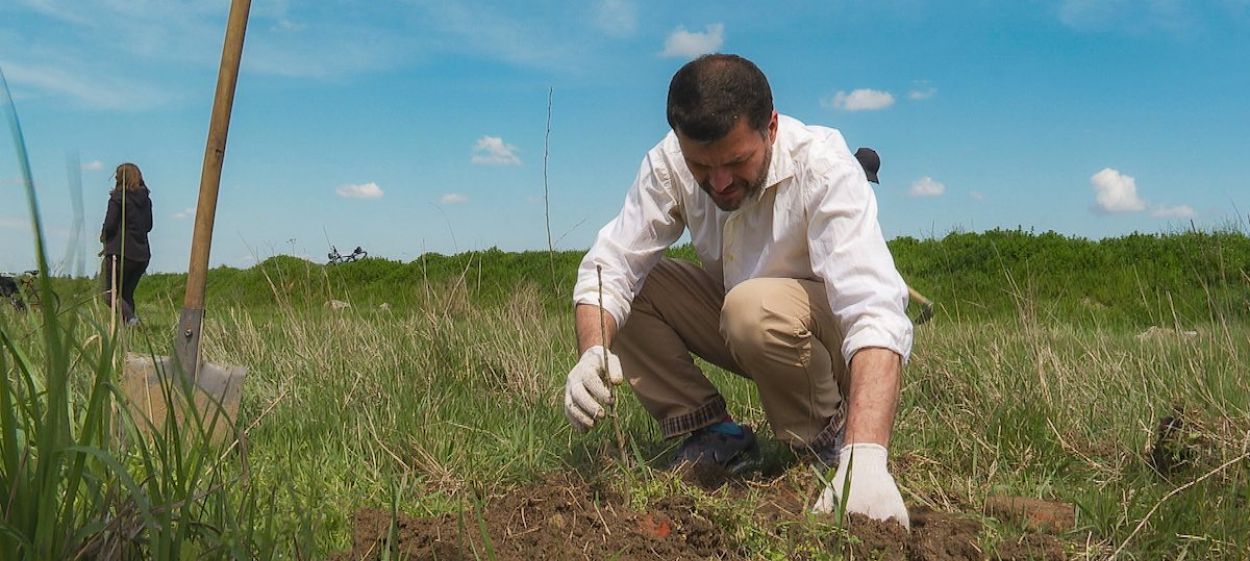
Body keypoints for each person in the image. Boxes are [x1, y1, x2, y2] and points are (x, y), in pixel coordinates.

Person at [562, 54, 912, 528]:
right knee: (631, 292)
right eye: (700, 165)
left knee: (752, 308)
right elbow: (612, 266)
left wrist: (866, 454)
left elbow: (873, 308)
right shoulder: (669, 163)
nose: (719, 182)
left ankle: (827, 443)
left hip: (819, 334)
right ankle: (713, 433)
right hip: (743, 314)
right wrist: (593, 350)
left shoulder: (824, 165)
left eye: (736, 160)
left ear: (770, 127)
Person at [100, 162, 153, 326]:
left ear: (121, 178)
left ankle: (131, 320)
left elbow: (109, 224)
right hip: (142, 255)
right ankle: (128, 334)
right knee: (126, 294)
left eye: (117, 175)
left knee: (110, 293)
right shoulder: (146, 200)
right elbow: (149, 226)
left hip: (120, 253)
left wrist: (104, 238)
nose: (115, 178)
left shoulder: (118, 198)